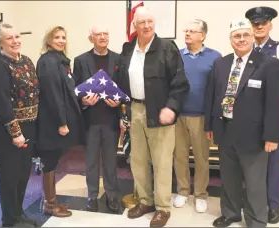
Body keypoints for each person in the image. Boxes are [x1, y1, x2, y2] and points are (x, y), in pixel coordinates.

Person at [204, 19, 279, 228]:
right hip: (226, 130)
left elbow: (275, 104)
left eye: (245, 35)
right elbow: (212, 96)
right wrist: (209, 126)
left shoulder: (268, 64)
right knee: (229, 178)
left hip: (255, 135)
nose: (241, 40)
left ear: (252, 37)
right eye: (236, 36)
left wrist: (271, 136)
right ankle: (230, 213)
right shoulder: (221, 63)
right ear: (230, 40)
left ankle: (256, 219)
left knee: (254, 182)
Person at [115, 6, 189, 227]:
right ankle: (145, 201)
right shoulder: (128, 49)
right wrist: (118, 102)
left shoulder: (167, 48)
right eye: (142, 22)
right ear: (134, 25)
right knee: (137, 160)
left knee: (162, 162)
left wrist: (171, 108)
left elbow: (180, 84)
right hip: (134, 110)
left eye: (150, 22)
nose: (146, 26)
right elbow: (121, 80)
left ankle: (163, 207)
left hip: (160, 111)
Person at [245, 6, 279, 224]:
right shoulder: (244, 49)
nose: (258, 27)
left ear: (269, 25)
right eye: (255, 24)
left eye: (262, 23)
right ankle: (254, 202)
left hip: (272, 118)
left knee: (273, 164)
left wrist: (261, 107)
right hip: (248, 120)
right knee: (250, 162)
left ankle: (273, 205)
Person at [0, 23, 39, 227]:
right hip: (7, 130)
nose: (15, 41)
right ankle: (9, 218)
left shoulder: (26, 61)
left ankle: (18, 213)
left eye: (17, 36)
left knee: (24, 172)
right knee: (9, 174)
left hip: (29, 126)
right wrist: (15, 132)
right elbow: (1, 101)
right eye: (9, 38)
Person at [173, 19, 221, 213]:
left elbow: (218, 88)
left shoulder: (215, 57)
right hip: (178, 116)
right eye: (186, 31)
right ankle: (183, 191)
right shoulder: (176, 56)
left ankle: (201, 194)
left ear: (202, 36)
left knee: (202, 158)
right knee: (180, 157)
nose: (187, 34)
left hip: (201, 116)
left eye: (192, 31)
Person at [35, 26, 83, 218]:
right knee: (49, 161)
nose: (61, 40)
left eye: (63, 37)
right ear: (48, 40)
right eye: (57, 37)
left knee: (53, 160)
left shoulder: (60, 61)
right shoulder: (48, 62)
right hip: (51, 121)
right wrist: (62, 122)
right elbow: (53, 94)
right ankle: (49, 203)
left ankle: (51, 200)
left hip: (56, 119)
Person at [73, 25, 120, 212]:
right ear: (91, 38)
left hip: (111, 119)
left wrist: (119, 104)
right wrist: (83, 100)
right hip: (90, 120)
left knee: (111, 161)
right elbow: (75, 89)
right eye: (98, 34)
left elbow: (123, 86)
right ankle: (92, 195)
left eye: (105, 34)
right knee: (91, 161)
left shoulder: (118, 58)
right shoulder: (80, 60)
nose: (102, 37)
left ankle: (111, 195)